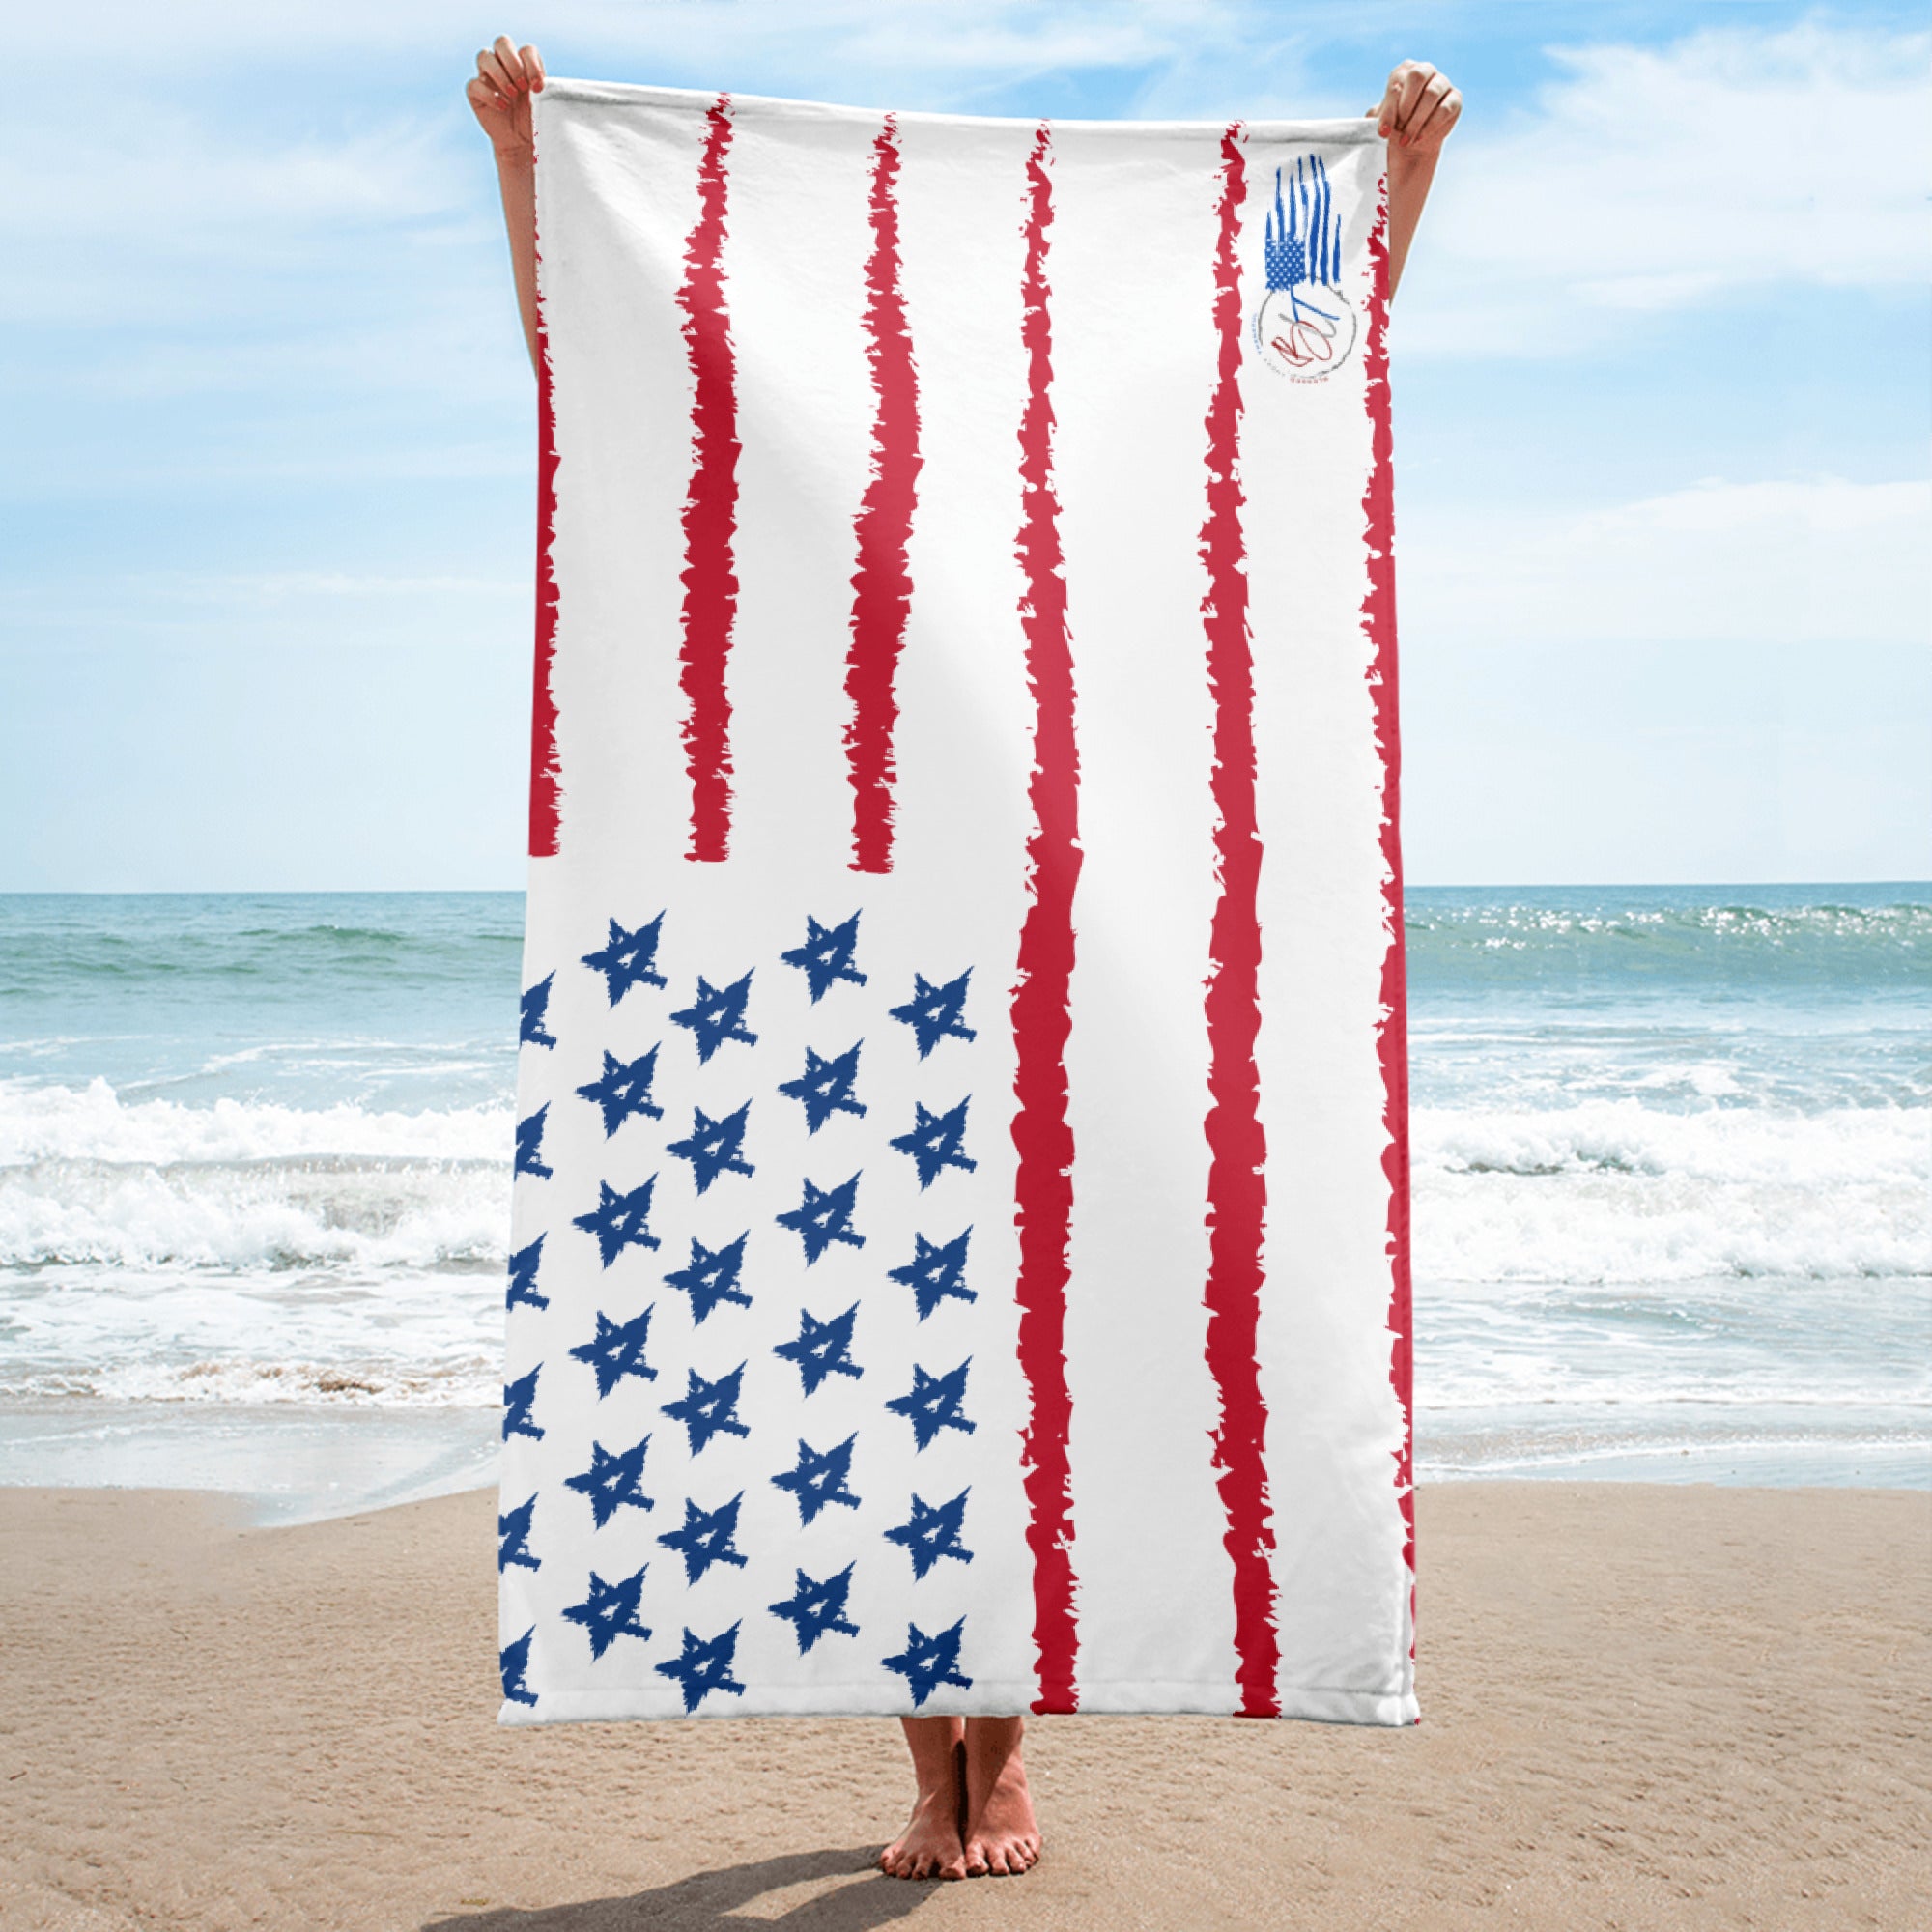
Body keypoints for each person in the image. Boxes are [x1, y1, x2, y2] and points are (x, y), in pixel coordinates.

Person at [467, 36, 1458, 1884]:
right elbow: (605, 372)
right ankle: (936, 1771)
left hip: (1077, 956)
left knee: (1051, 1370)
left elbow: (1288, 390)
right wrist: (534, 166)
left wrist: (1387, 191)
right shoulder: (828, 480)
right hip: (871, 957)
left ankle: (1000, 1765)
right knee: (885, 1375)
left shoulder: (1093, 488)